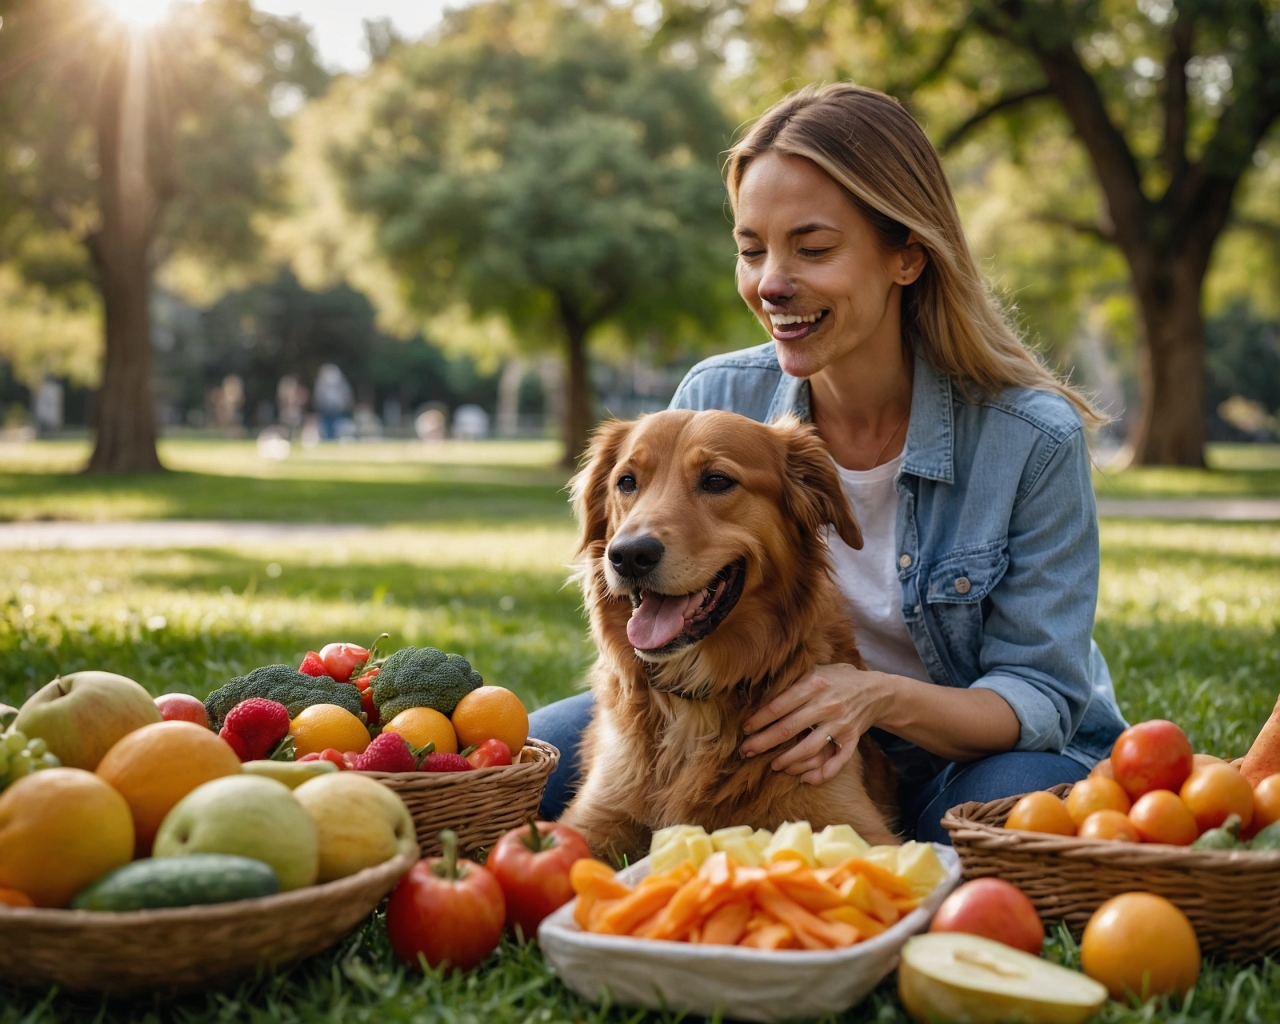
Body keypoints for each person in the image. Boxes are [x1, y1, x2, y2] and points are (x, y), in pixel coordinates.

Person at [529, 83, 1128, 843]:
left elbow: (1040, 692)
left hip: (964, 742)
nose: (770, 282)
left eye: (812, 249)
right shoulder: (718, 394)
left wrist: (870, 698)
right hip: (741, 707)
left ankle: (904, 822)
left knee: (995, 821)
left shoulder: (1030, 436)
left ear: (906, 256)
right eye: (752, 250)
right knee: (530, 762)